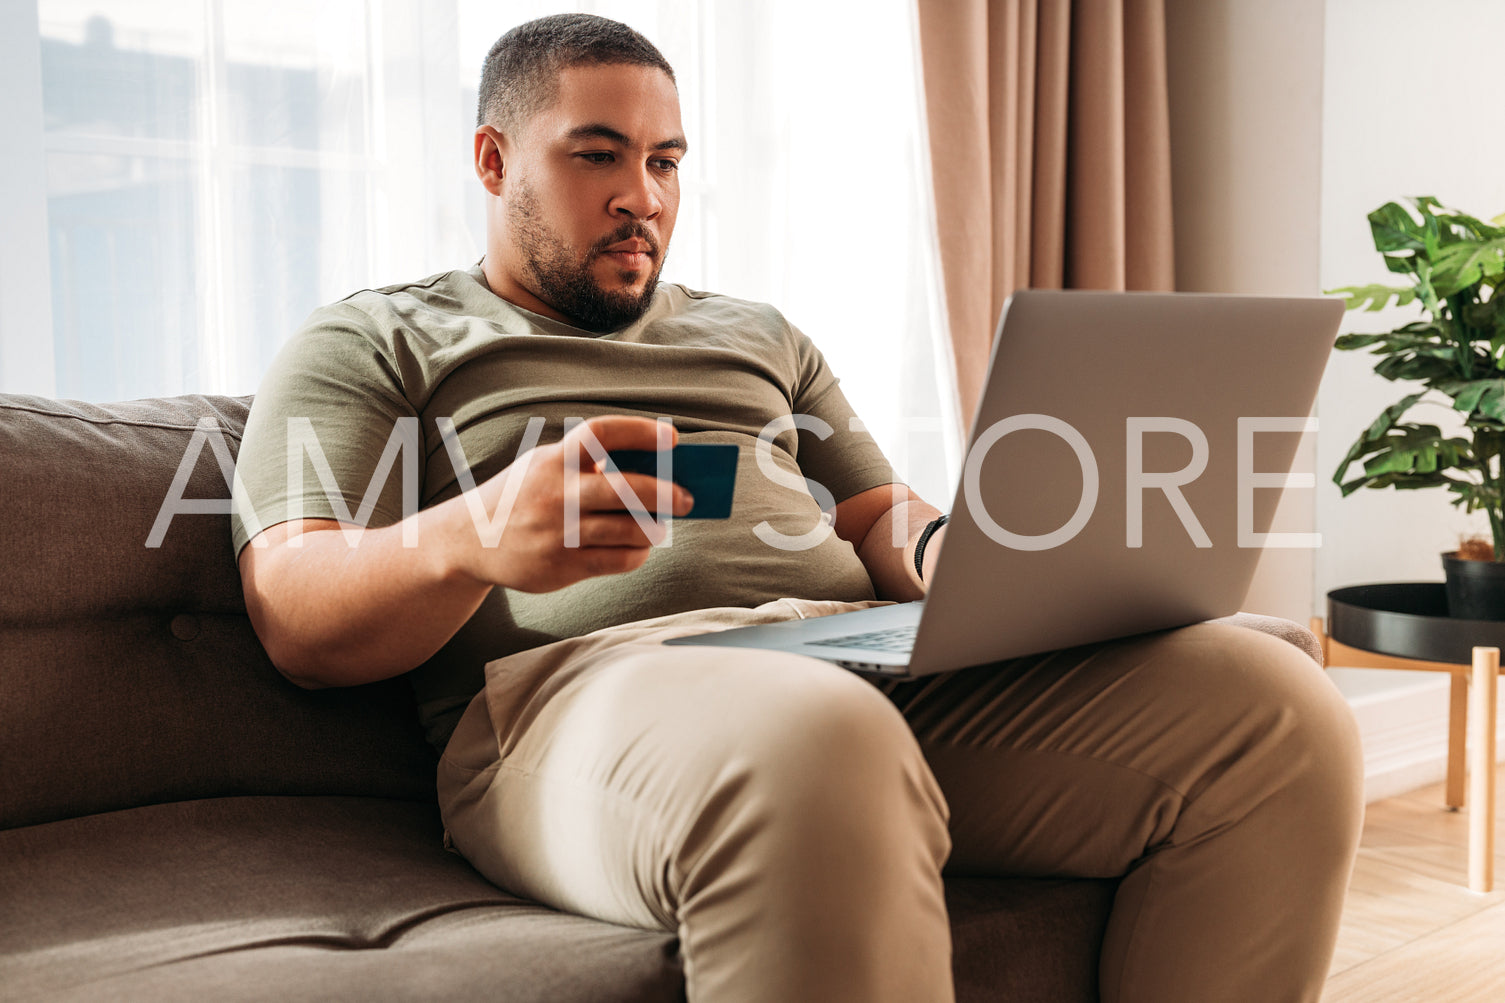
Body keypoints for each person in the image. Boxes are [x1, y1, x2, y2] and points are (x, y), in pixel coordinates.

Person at [231, 13, 1364, 1003]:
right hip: (576, 698)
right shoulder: (373, 340)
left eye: (667, 160)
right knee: (818, 736)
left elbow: (875, 512)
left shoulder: (758, 335)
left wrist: (953, 554)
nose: (644, 197)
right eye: (597, 156)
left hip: (857, 664)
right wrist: (471, 536)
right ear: (491, 158)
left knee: (1274, 708)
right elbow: (293, 607)